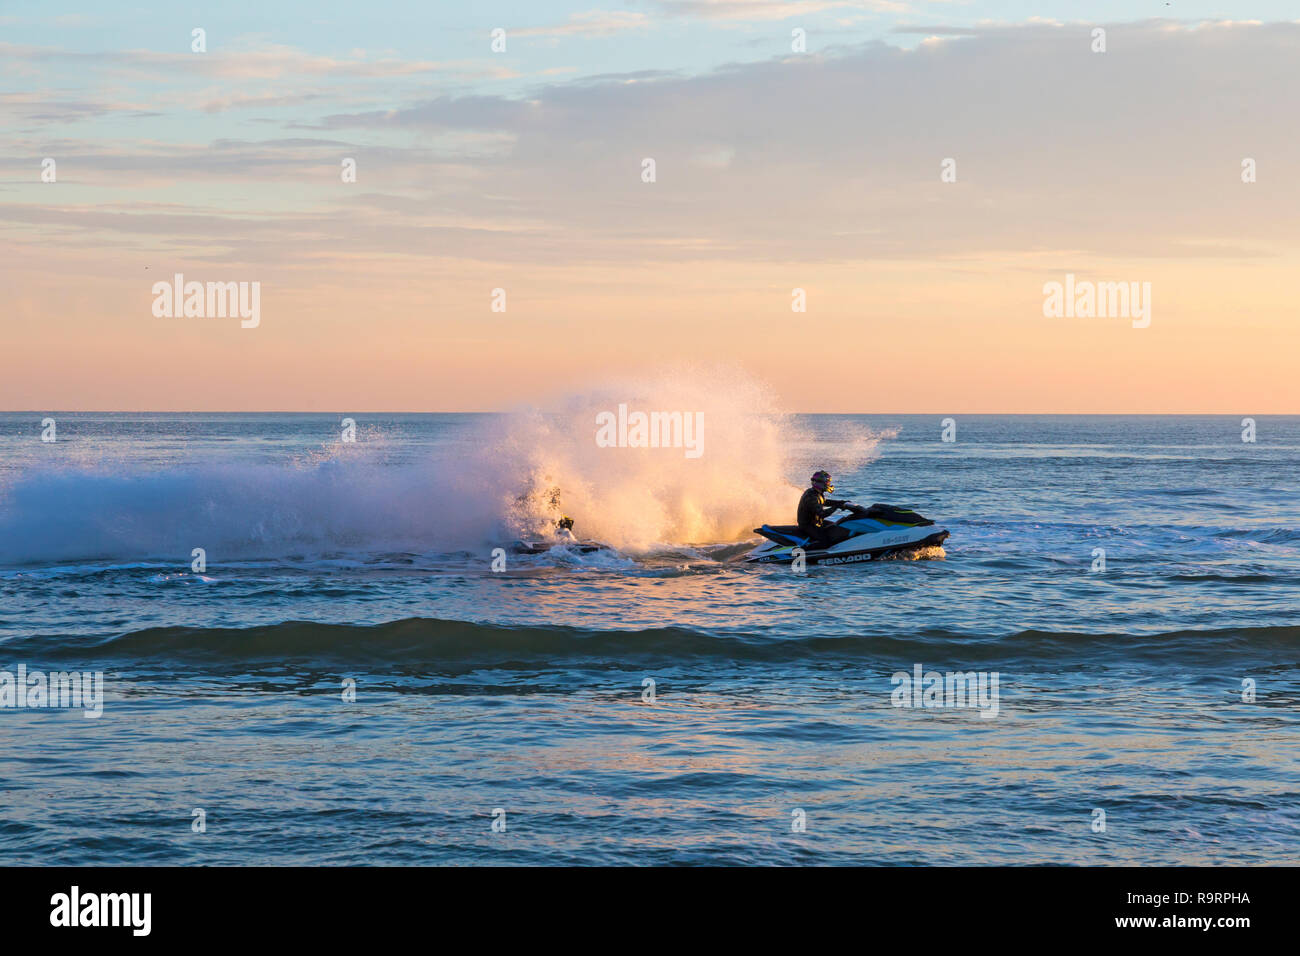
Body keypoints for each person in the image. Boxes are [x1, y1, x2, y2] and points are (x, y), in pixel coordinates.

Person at [797, 470, 853, 548]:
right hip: (808, 525)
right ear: (820, 483)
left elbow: (824, 502)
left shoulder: (816, 493)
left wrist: (841, 502)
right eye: (827, 482)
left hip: (816, 522)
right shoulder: (811, 496)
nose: (828, 484)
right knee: (826, 541)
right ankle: (806, 552)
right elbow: (822, 514)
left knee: (836, 527)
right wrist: (836, 507)